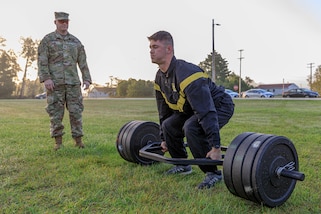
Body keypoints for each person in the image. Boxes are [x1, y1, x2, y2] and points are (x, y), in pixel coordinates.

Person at [148, 31, 234, 189]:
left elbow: (206, 112)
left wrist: (215, 147)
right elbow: (164, 111)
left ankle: (213, 173)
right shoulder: (160, 77)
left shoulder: (187, 73)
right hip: (192, 109)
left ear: (169, 49)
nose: (151, 51)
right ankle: (182, 164)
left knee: (192, 127)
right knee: (168, 125)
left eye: (155, 47)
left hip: (218, 105)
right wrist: (164, 138)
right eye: (150, 47)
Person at [38, 12, 92, 151]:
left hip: (73, 83)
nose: (64, 24)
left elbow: (83, 62)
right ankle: (58, 142)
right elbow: (42, 61)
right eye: (61, 21)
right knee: (56, 113)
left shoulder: (75, 42)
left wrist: (86, 78)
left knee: (76, 112)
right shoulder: (47, 40)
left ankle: (78, 141)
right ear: (55, 22)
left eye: (66, 21)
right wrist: (46, 78)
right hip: (55, 84)